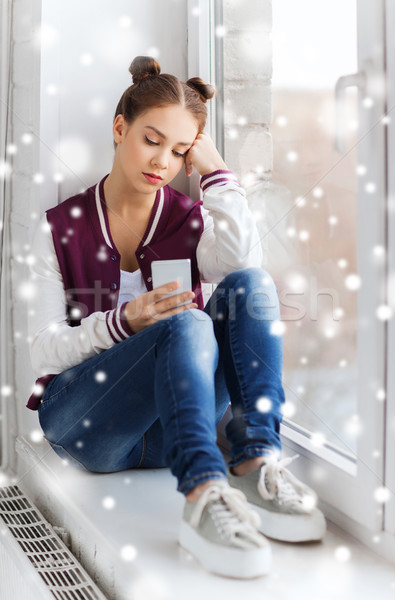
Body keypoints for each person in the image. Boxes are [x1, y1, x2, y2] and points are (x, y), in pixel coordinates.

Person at [27, 56, 326, 579]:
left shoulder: (189, 220)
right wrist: (124, 323)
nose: (162, 161)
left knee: (250, 287)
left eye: (180, 150)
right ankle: (204, 490)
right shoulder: (59, 227)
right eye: (151, 139)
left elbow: (241, 266)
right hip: (89, 426)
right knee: (186, 322)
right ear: (119, 129)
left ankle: (257, 463)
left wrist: (216, 173)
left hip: (175, 432)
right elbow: (43, 347)